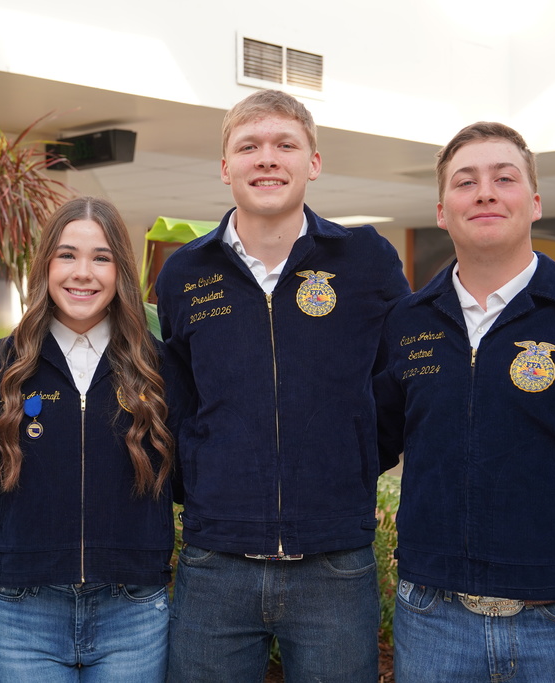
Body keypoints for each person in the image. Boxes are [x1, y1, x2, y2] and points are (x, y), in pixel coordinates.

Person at [375, 122, 555, 682]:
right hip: (431, 623)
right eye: (465, 182)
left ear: (533, 203)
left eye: (503, 178)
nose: (484, 191)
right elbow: (364, 444)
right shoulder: (408, 322)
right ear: (443, 211)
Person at [155, 89, 410, 682]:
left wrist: (355, 458)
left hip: (335, 563)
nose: (266, 158)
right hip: (215, 562)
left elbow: (400, 380)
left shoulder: (366, 260)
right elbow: (176, 396)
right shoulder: (184, 272)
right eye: (249, 146)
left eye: (284, 144)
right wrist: (200, 477)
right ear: (226, 168)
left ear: (313, 163)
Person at [0, 196, 180, 683]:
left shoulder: (162, 365)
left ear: (121, 273)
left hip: (132, 608)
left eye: (101, 257)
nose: (83, 273)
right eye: (67, 255)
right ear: (46, 264)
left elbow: (189, 473)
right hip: (26, 609)